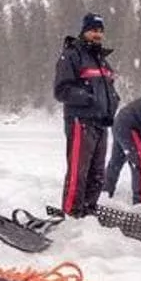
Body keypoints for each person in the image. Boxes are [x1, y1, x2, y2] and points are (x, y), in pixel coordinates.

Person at [53, 12, 120, 218]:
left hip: (101, 123)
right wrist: (90, 98)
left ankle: (88, 212)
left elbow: (110, 91)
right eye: (93, 30)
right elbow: (61, 90)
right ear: (84, 31)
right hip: (80, 122)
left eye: (100, 31)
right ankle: (71, 214)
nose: (97, 34)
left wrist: (111, 106)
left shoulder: (102, 61)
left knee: (97, 174)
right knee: (78, 172)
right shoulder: (72, 55)